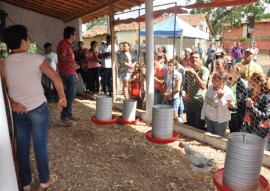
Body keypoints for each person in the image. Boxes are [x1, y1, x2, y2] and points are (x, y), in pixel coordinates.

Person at [0, 25, 66, 190]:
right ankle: (45, 179)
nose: (29, 41)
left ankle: (26, 182)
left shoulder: (3, 63)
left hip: (17, 112)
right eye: (28, 38)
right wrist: (62, 97)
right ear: (23, 42)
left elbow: (2, 90)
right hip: (38, 109)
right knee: (39, 145)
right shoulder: (36, 58)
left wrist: (12, 103)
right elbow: (56, 78)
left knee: (22, 146)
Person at [57, 26, 80, 123]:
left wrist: (75, 72)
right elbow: (62, 56)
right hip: (66, 73)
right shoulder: (63, 44)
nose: (76, 35)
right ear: (71, 35)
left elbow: (70, 60)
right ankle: (64, 115)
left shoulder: (69, 45)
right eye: (75, 34)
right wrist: (71, 64)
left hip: (71, 72)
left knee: (70, 94)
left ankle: (69, 114)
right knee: (70, 94)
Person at [201, 71, 233, 137]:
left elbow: (227, 107)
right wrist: (203, 114)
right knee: (209, 137)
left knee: (218, 138)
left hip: (220, 121)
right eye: (212, 77)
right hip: (209, 118)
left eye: (215, 78)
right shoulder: (210, 87)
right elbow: (206, 102)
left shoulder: (228, 91)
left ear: (221, 81)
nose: (212, 79)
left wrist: (221, 98)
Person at [183, 51, 210, 130]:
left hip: (200, 101)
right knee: (190, 124)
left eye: (196, 57)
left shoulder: (204, 70)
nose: (194, 59)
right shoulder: (188, 70)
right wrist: (184, 91)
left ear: (200, 59)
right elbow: (186, 83)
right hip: (190, 101)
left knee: (198, 126)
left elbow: (203, 86)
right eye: (192, 58)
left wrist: (195, 74)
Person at [243, 72, 270, 139]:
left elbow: (265, 115)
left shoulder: (266, 97)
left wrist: (252, 107)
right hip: (246, 124)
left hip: (258, 128)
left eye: (252, 79)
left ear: (259, 83)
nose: (250, 81)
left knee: (253, 147)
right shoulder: (248, 92)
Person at [227, 65, 249, 133]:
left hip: (236, 114)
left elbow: (242, 102)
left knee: (235, 133)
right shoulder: (228, 81)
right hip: (227, 111)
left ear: (238, 73)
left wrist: (233, 106)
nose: (230, 68)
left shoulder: (241, 84)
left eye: (233, 68)